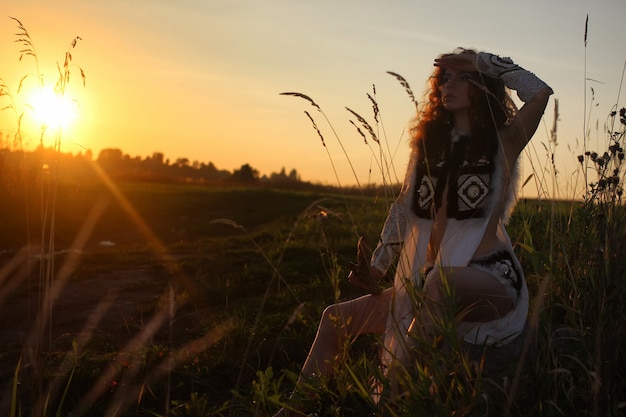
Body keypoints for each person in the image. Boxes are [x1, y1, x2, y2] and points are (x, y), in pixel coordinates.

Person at [273, 48, 553, 416]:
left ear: (483, 85)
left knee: (439, 284)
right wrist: (376, 268)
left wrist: (480, 60)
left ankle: (385, 409)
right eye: (444, 78)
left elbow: (540, 92)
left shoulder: (503, 143)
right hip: (431, 283)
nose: (448, 84)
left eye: (461, 77)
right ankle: (290, 413)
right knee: (334, 319)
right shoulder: (429, 150)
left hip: (491, 279)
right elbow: (403, 210)